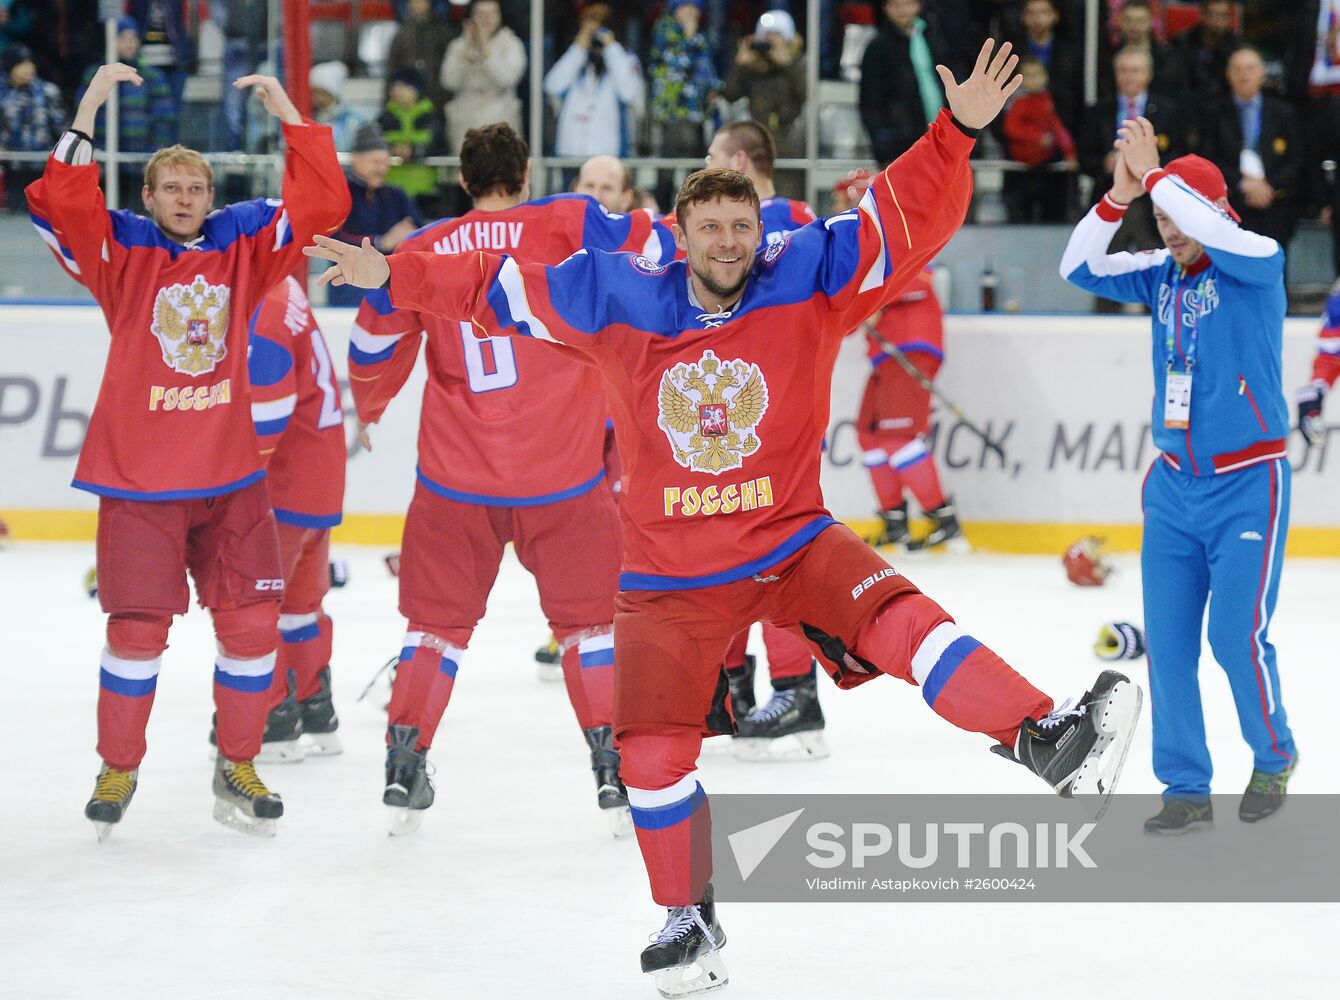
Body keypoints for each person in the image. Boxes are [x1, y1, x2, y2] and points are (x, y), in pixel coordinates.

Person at [308, 42, 1142, 992]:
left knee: (909, 622)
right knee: (651, 756)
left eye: (740, 225)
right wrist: (392, 279)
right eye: (708, 228)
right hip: (667, 573)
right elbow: (493, 289)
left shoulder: (806, 271)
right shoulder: (620, 293)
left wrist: (954, 133)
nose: (728, 243)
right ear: (681, 232)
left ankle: (1047, 737)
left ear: (760, 224)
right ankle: (687, 917)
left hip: (791, 538)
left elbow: (896, 223)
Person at [27, 63, 348, 839]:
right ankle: (119, 765)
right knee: (136, 636)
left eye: (195, 188)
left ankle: (238, 762)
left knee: (251, 627)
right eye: (169, 187)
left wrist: (288, 114)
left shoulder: (244, 247)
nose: (183, 198)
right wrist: (93, 100)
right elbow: (59, 201)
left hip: (230, 477)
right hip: (139, 481)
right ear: (146, 197)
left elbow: (323, 204)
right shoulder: (120, 254)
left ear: (211, 197)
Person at [346, 122, 675, 836]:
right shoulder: (569, 221)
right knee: (591, 629)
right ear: (526, 175)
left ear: (462, 181)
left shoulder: (422, 248)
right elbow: (659, 243)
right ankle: (611, 769)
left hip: (453, 481)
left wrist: (367, 407)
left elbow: (373, 339)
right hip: (565, 475)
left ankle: (405, 758)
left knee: (433, 629)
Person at [1060, 121, 1299, 834]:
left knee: (1234, 636)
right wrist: (1118, 196)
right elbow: (1078, 267)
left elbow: (1201, 217)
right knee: (1167, 645)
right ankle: (1186, 787)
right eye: (1158, 218)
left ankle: (1274, 753)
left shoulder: (1257, 259)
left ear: (1217, 210)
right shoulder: (1162, 272)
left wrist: (1161, 177)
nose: (1167, 230)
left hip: (1247, 483)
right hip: (1172, 489)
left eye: (1178, 215)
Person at [700, 117, 827, 761]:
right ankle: (738, 693)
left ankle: (791, 692)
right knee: (726, 554)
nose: (705, 167)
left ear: (743, 164)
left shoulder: (774, 223)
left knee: (767, 556)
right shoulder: (803, 218)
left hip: (763, 418)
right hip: (747, 411)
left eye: (715, 158)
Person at [242, 275, 347, 762]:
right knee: (301, 604)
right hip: (317, 476)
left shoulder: (265, 302)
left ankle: (273, 719)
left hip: (280, 482)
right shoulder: (288, 290)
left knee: (254, 603)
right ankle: (315, 710)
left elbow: (269, 407)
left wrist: (235, 483)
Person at [1081, 46, 1184, 253]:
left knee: (1153, 270)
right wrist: (1105, 163)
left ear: (1148, 74)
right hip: (1109, 197)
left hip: (1152, 206)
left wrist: (1148, 167)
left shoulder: (1168, 110)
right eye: (1124, 70)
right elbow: (1084, 159)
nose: (1129, 76)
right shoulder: (1098, 110)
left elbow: (1179, 156)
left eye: (1135, 70)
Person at [1199, 45, 1302, 250]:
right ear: (1228, 74)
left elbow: (1297, 159)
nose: (1243, 75)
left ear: (1262, 73)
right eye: (1237, 69)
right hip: (1231, 205)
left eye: (1250, 68)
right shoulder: (1214, 112)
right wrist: (1242, 183)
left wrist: (1268, 186)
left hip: (1275, 203)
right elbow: (1208, 157)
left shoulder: (1283, 112)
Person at [77, 17, 175, 194]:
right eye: (123, 37)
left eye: (133, 37)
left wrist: (155, 155)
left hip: (140, 164)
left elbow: (163, 120)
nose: (130, 43)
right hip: (102, 163)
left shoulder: (152, 77)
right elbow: (83, 115)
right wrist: (91, 153)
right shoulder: (96, 75)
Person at [330, 123, 422, 307]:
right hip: (348, 286)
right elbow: (335, 237)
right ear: (356, 159)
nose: (382, 168)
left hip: (389, 287)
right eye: (375, 162)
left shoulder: (396, 195)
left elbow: (416, 228)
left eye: (385, 162)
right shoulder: (340, 193)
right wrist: (381, 242)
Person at [543, 4, 644, 159]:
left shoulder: (623, 58)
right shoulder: (575, 58)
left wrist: (611, 48)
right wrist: (578, 48)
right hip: (570, 152)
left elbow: (629, 93)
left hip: (608, 153)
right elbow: (553, 86)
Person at [859, 0, 946, 167]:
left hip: (941, 138)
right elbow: (870, 103)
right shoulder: (878, 46)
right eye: (896, 5)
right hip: (900, 143)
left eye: (907, 4)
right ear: (885, 8)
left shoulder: (934, 37)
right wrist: (884, 148)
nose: (903, 10)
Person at [439, 0, 526, 154]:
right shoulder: (458, 45)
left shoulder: (511, 43)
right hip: (464, 122)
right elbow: (448, 81)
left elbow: (507, 79)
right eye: (481, 14)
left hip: (501, 120)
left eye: (492, 14)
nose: (487, 19)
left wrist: (486, 52)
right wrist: (466, 52)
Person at [1001, 54, 1077, 223]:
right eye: (1028, 76)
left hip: (1046, 164)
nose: (1033, 80)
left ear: (1045, 76)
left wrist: (1070, 153)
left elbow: (1056, 128)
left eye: (1037, 75)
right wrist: (1037, 138)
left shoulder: (1047, 100)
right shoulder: (1018, 102)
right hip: (1022, 167)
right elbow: (1011, 128)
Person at [723, 9, 807, 158]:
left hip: (789, 139)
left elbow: (806, 94)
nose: (771, 40)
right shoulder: (754, 66)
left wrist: (787, 64)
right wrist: (739, 66)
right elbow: (730, 95)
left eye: (776, 35)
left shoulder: (798, 63)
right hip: (758, 139)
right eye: (767, 35)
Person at [648, 0, 719, 159]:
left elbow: (706, 67)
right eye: (685, 6)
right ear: (675, 9)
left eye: (694, 7)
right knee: (669, 164)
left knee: (696, 164)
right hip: (673, 111)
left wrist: (713, 88)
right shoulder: (664, 32)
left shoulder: (701, 37)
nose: (690, 12)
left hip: (697, 109)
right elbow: (672, 67)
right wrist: (689, 38)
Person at [0, 44, 65, 210]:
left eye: (29, 63)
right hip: (12, 165)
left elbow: (61, 127)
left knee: (43, 212)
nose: (26, 69)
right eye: (21, 64)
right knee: (14, 213)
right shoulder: (2, 93)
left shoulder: (47, 92)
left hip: (43, 164)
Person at [379, 68, 444, 219]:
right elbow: (376, 144)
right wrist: (391, 149)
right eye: (394, 86)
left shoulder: (430, 118)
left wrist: (415, 152)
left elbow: (440, 148)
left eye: (404, 86)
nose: (397, 91)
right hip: (390, 190)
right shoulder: (385, 118)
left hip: (424, 191)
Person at [1171, 0, 1242, 109]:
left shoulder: (1236, 46)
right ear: (1203, 15)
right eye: (1213, 15)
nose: (1217, 21)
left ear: (1229, 18)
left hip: (1225, 109)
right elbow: (1178, 82)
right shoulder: (1183, 42)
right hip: (1188, 106)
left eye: (1223, 16)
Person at [387, 0, 455, 113]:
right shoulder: (401, 34)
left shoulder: (443, 32)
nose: (416, 3)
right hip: (407, 103)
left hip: (437, 100)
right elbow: (392, 69)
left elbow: (449, 69)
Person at [1295, 278, 1340, 448]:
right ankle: (1309, 408)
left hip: (1329, 344)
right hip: (1331, 344)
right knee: (1320, 384)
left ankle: (1310, 406)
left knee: (1320, 384)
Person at [309, 61, 367, 153]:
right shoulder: (311, 116)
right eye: (314, 92)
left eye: (322, 92)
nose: (317, 97)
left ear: (333, 92)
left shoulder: (354, 119)